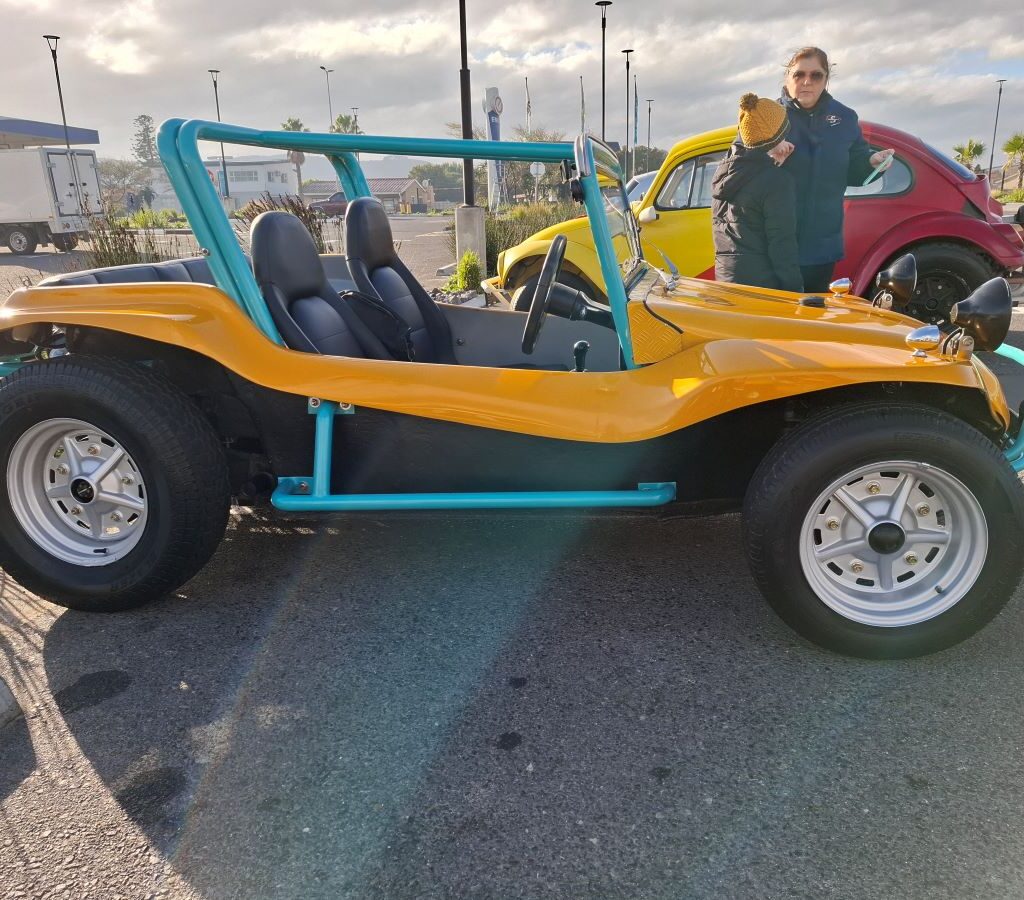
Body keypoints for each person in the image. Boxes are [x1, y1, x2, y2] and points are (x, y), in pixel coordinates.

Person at [776, 46, 894, 292]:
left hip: (822, 245)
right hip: (773, 243)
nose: (807, 81)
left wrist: (872, 162)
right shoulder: (768, 117)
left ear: (826, 80)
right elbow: (739, 167)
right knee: (775, 323)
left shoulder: (845, 117)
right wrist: (766, 153)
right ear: (787, 78)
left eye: (816, 75)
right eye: (799, 74)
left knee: (813, 320)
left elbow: (855, 168)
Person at [712, 93, 804, 293]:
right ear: (776, 138)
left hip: (726, 279)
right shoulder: (777, 182)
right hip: (762, 288)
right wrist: (796, 293)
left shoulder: (724, 173)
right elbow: (782, 246)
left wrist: (771, 163)